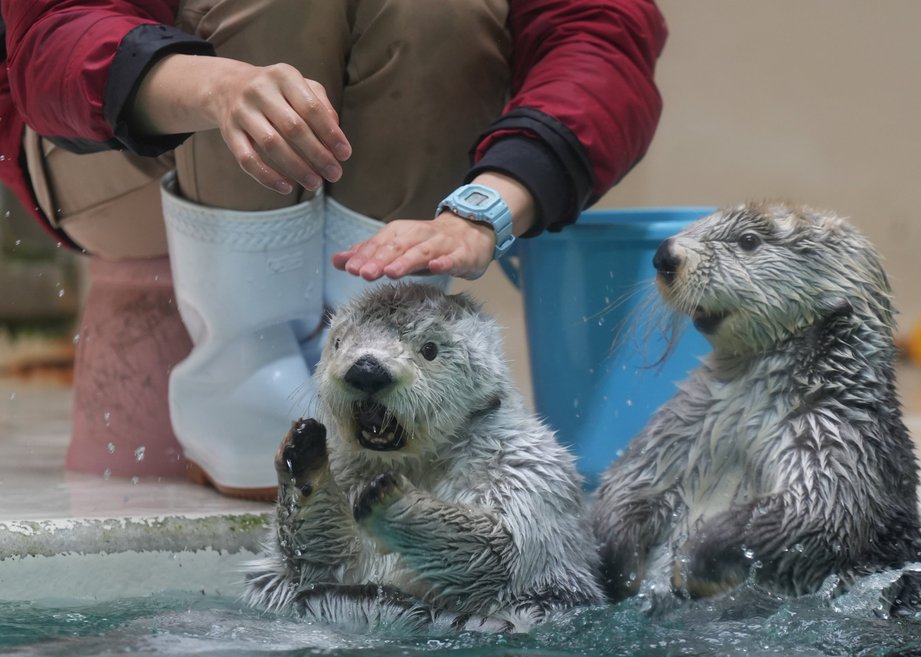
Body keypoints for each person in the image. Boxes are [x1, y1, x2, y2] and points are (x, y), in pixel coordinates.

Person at [0, 0, 667, 499]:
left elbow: (598, 33)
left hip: (373, 153)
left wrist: (490, 203)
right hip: (125, 135)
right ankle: (248, 386)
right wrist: (216, 89)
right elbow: (60, 30)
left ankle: (365, 376)